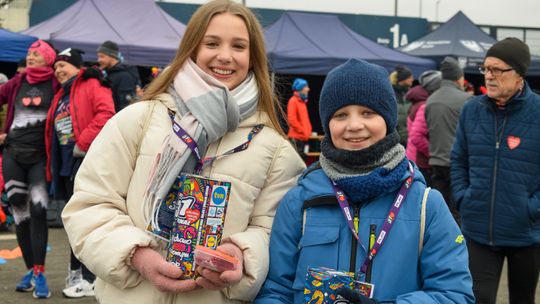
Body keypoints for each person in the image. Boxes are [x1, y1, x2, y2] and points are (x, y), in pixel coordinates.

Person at [61, 1, 305, 303]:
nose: (225, 56)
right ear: (191, 48)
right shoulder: (138, 120)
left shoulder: (276, 150)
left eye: (239, 46)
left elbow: (274, 232)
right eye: (212, 43)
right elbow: (89, 205)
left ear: (253, 57)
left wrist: (241, 253)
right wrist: (135, 255)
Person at [256, 58, 474, 303]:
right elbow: (275, 291)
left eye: (368, 113)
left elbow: (455, 294)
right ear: (328, 124)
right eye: (341, 115)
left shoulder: (426, 205)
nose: (354, 125)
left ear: (388, 119)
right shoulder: (299, 201)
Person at [451, 37, 540, 304]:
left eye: (497, 70)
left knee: (522, 299)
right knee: (477, 299)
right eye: (486, 69)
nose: (489, 76)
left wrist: (533, 208)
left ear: (519, 75)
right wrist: (464, 199)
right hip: (478, 230)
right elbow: (458, 160)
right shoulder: (471, 109)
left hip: (525, 232)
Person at [45, 47, 115, 298]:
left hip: (84, 161)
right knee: (75, 222)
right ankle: (78, 271)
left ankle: (90, 277)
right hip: (65, 165)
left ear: (76, 66)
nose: (58, 71)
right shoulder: (61, 94)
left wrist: (82, 143)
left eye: (63, 65)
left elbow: (107, 113)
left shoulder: (92, 83)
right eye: (55, 67)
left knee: (86, 222)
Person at [0, 39, 59, 299]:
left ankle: (41, 272)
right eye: (29, 53)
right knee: (20, 214)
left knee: (38, 211)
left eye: (36, 53)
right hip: (13, 155)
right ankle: (30, 270)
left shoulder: (55, 83)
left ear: (48, 58)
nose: (31, 56)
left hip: (39, 159)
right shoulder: (17, 82)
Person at [425, 56, 470, 224]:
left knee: (438, 212)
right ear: (459, 78)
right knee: (457, 210)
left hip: (436, 162)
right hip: (457, 163)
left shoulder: (430, 99)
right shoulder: (466, 100)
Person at [405, 70, 442, 186]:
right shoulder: (425, 105)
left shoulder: (419, 101)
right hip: (419, 161)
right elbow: (416, 136)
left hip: (414, 157)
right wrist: (432, 153)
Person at [96, 40, 140, 112]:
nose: (99, 60)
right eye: (98, 57)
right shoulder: (109, 74)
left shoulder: (124, 76)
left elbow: (125, 106)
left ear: (112, 56)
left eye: (102, 56)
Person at [287, 78, 312, 158]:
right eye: (306, 87)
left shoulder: (303, 102)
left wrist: (308, 130)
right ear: (300, 88)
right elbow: (292, 120)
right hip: (296, 139)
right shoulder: (293, 101)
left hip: (303, 138)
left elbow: (305, 120)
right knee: (297, 163)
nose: (308, 89)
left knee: (303, 160)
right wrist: (303, 131)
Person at [389, 65, 413, 147]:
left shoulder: (409, 94)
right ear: (403, 79)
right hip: (397, 140)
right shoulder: (391, 94)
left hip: (409, 138)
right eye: (409, 77)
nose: (412, 79)